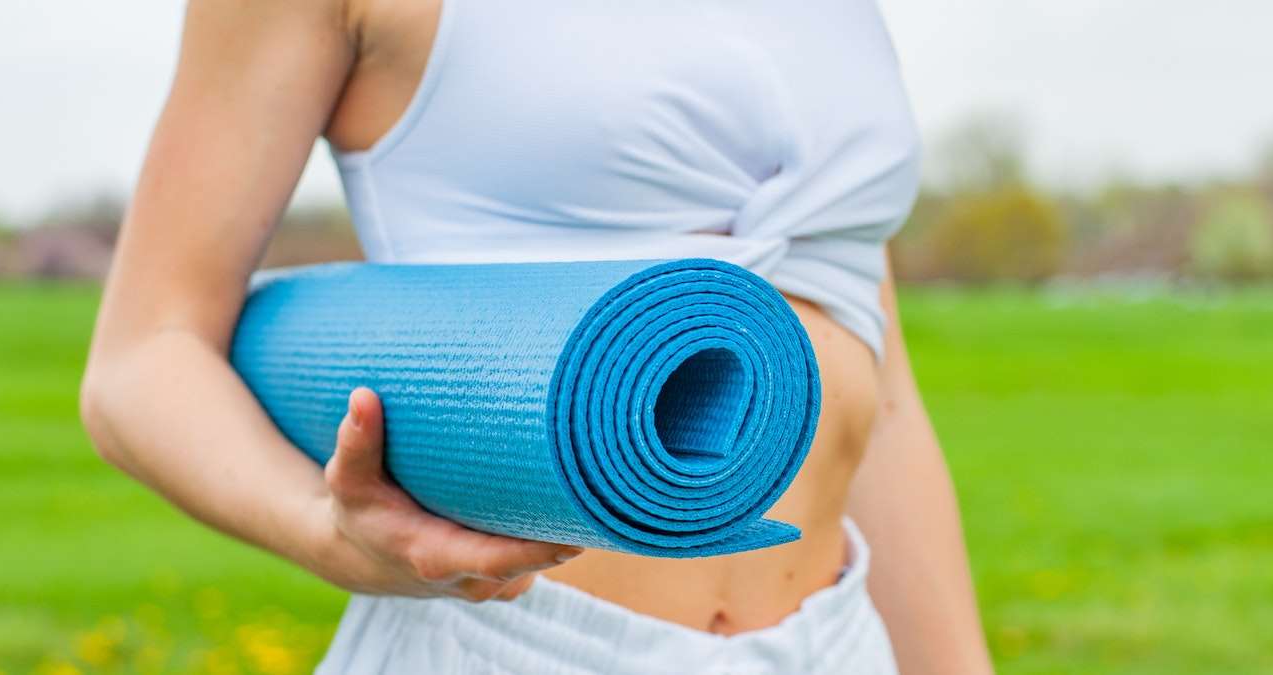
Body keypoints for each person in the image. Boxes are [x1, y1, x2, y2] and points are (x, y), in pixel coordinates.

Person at [80, 0, 992, 672]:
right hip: (517, 636)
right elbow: (144, 354)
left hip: (838, 641)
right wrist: (326, 530)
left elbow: (880, 400)